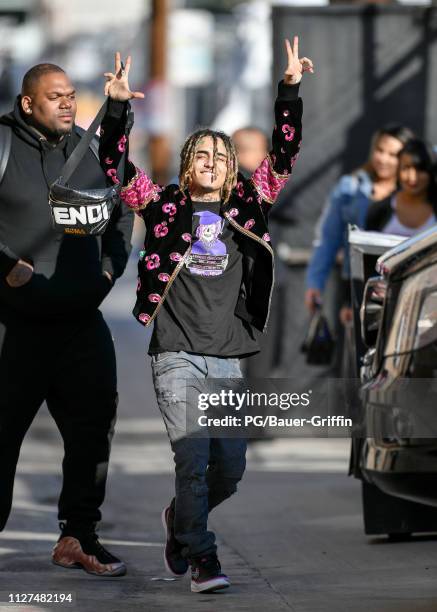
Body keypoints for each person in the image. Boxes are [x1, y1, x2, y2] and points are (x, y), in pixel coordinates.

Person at [101, 40, 312, 593]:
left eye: (222, 156)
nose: (213, 163)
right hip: (175, 351)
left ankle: (180, 521)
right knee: (192, 461)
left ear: (232, 169)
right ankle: (203, 559)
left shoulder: (250, 204)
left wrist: (289, 90)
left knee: (230, 471)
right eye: (202, 155)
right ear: (187, 164)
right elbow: (116, 166)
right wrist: (119, 106)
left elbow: (285, 155)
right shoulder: (163, 204)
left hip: (227, 355)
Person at [0, 63, 134, 576]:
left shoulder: (95, 151)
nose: (65, 104)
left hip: (80, 322)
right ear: (28, 102)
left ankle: (78, 537)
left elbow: (124, 209)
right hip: (12, 325)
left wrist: (107, 270)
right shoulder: (5, 146)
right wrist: (7, 268)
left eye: (71, 96)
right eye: (53, 97)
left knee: (92, 434)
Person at [305, 124, 413, 325]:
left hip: (402, 282)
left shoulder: (414, 192)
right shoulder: (351, 188)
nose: (383, 159)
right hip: (357, 283)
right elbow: (327, 239)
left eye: (393, 154)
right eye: (380, 150)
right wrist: (315, 283)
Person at [366, 138, 437, 236]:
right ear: (398, 170)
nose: (412, 177)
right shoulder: (379, 211)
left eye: (420, 169)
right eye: (406, 168)